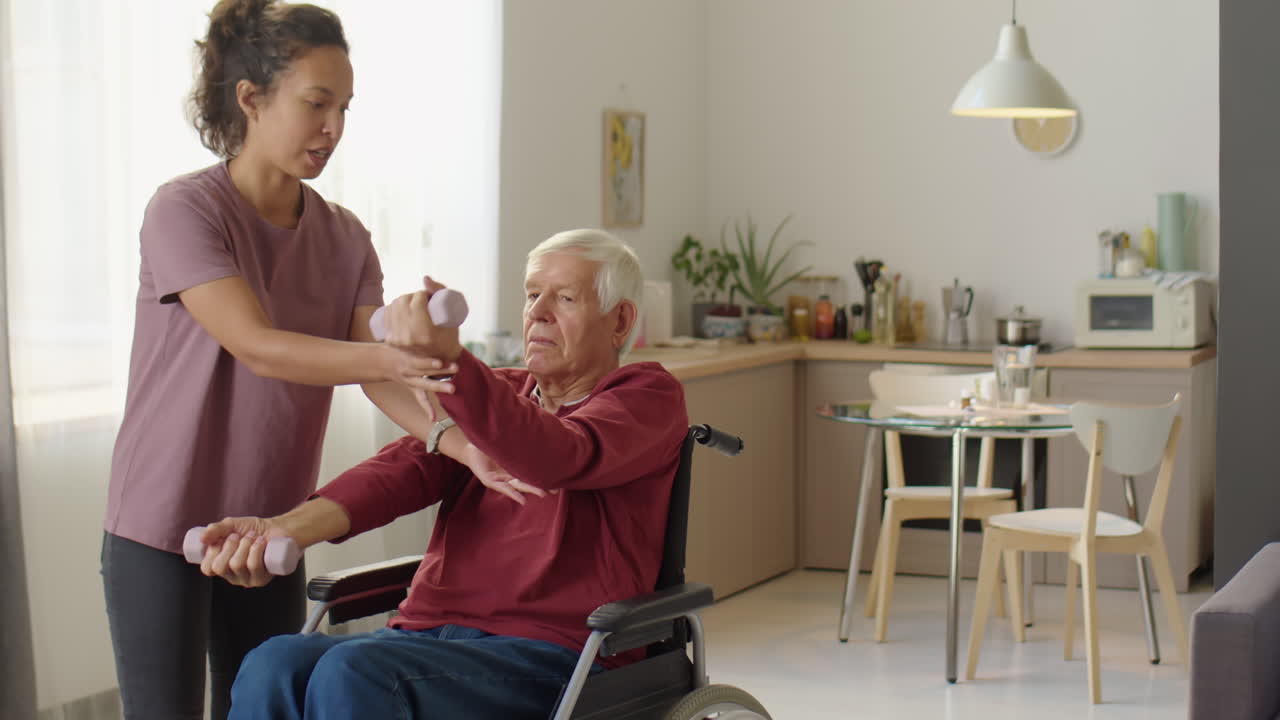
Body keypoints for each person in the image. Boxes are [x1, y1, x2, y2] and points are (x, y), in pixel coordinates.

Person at [101, 2, 454, 718]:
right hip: (158, 519)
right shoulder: (184, 211)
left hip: (269, 524)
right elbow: (258, 346)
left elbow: (374, 371)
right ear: (251, 99)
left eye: (345, 107)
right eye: (316, 104)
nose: (334, 129)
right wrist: (393, 354)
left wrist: (453, 435)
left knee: (266, 704)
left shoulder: (347, 237)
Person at [197, 230, 689, 719]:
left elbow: (558, 455)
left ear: (620, 321)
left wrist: (453, 361)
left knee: (355, 670)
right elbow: (398, 472)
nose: (538, 313)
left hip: (557, 652)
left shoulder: (646, 396)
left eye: (564, 298)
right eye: (532, 295)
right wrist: (281, 530)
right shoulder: (503, 395)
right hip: (431, 636)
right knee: (273, 662)